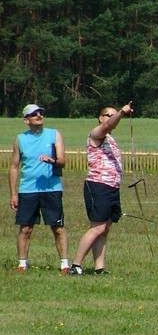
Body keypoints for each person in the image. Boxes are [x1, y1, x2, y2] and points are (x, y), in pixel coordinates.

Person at [69, 103, 134, 276]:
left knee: (105, 228)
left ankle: (99, 268)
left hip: (112, 187)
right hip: (98, 185)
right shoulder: (96, 133)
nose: (112, 118)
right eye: (109, 115)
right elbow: (107, 126)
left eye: (114, 115)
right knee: (97, 227)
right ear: (100, 118)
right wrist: (121, 112)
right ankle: (76, 265)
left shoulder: (110, 139)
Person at [8, 104, 69, 274]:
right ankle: (22, 264)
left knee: (57, 227)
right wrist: (13, 194)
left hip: (52, 188)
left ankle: (65, 264)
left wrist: (53, 161)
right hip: (28, 190)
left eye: (41, 112)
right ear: (26, 120)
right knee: (25, 228)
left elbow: (63, 160)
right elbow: (14, 167)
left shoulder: (54, 134)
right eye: (34, 114)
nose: (39, 115)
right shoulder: (20, 139)